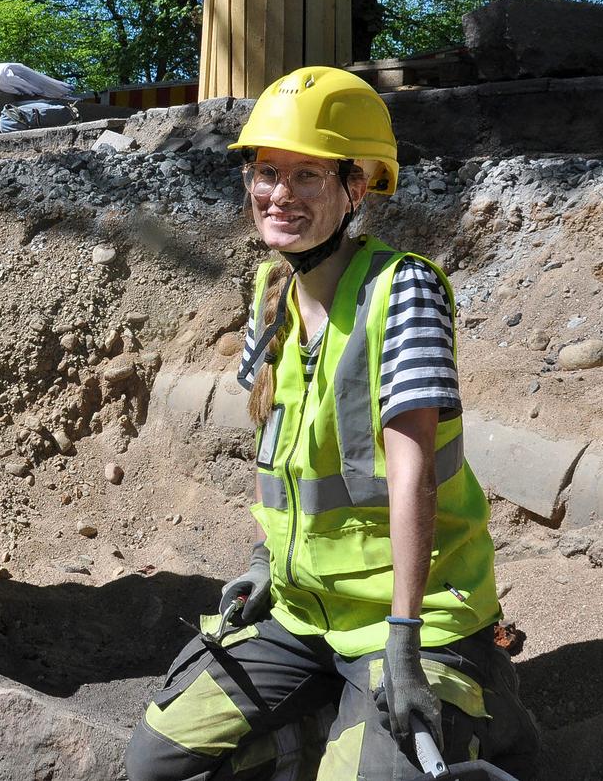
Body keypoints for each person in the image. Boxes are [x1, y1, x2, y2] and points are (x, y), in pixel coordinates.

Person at [125, 68, 539, 780]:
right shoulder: (271, 291)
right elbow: (285, 462)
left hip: (417, 619)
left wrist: (405, 637)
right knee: (154, 760)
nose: (279, 194)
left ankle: (484, 702)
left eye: (307, 176)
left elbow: (411, 479)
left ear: (358, 186)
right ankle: (319, 726)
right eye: (266, 171)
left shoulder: (401, 290)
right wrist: (264, 564)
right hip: (304, 614)